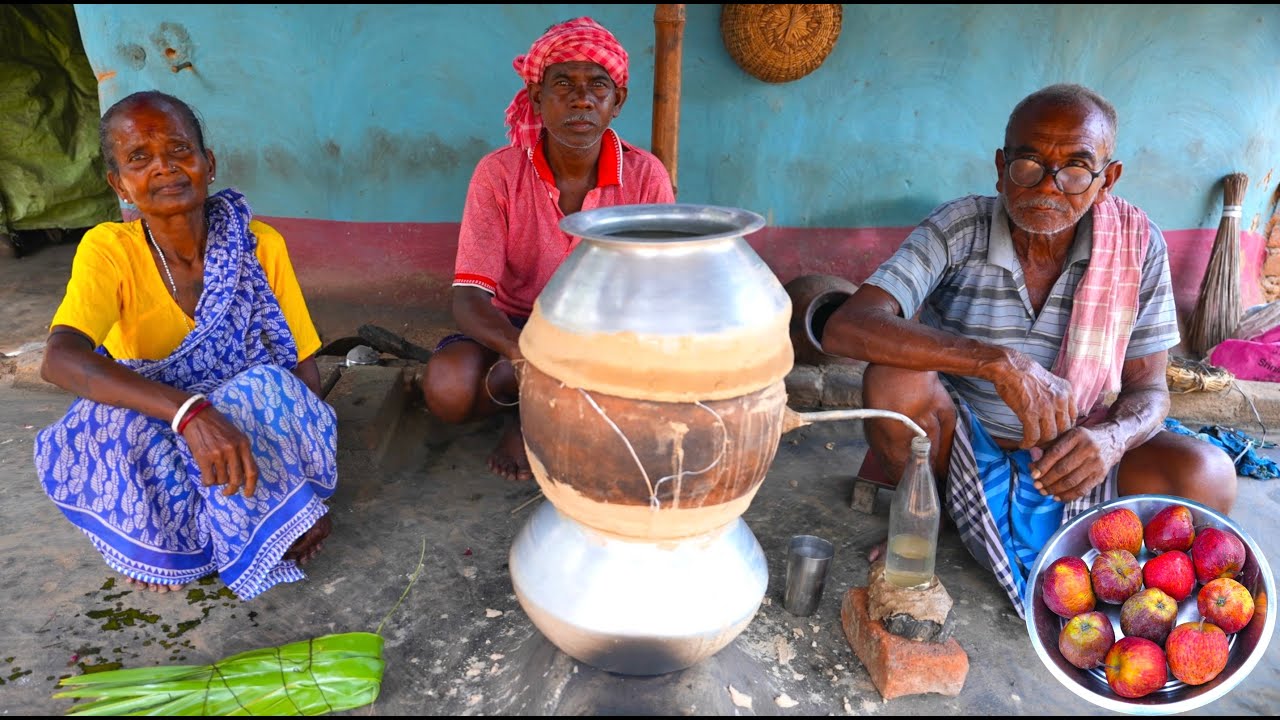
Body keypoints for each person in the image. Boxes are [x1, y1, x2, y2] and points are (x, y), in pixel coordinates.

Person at [820, 83, 1237, 613]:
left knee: (1207, 474)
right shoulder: (960, 227)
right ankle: (935, 511)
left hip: (1075, 450)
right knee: (891, 378)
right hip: (962, 443)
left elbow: (1150, 390)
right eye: (1029, 163)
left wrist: (1111, 438)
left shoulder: (1137, 244)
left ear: (1107, 179)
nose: (1047, 186)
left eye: (1076, 168)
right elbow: (847, 327)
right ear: (1001, 167)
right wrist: (996, 362)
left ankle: (1094, 551)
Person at [34, 90, 336, 600]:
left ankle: (264, 519)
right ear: (119, 184)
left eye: (179, 150)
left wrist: (305, 481)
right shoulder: (108, 251)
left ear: (207, 164)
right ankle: (170, 542)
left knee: (268, 387)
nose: (164, 167)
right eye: (139, 158)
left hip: (245, 430)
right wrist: (190, 413)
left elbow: (301, 368)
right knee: (106, 419)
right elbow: (60, 359)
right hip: (164, 420)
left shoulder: (258, 243)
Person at [421, 16, 676, 481]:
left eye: (598, 86)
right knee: (448, 388)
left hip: (603, 333)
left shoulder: (645, 176)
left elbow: (658, 292)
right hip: (515, 329)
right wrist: (524, 355)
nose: (581, 99)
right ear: (537, 97)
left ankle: (531, 416)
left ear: (618, 102)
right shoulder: (499, 174)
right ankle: (532, 403)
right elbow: (469, 297)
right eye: (563, 84)